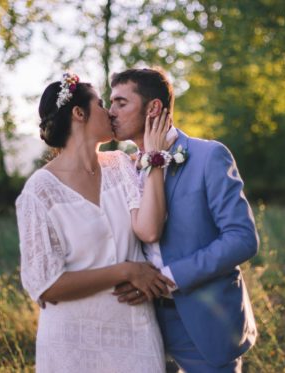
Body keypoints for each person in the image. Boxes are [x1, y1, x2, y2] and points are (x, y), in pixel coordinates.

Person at [15, 72, 177, 373]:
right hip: (72, 346)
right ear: (79, 113)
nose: (110, 112)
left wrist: (154, 158)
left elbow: (151, 228)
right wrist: (126, 270)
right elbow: (45, 285)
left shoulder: (120, 165)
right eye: (102, 104)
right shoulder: (39, 192)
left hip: (136, 335)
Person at [109, 68, 259, 372]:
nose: (109, 112)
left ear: (152, 108)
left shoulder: (208, 156)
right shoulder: (122, 169)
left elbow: (241, 238)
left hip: (205, 318)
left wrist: (168, 279)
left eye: (120, 103)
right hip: (141, 321)